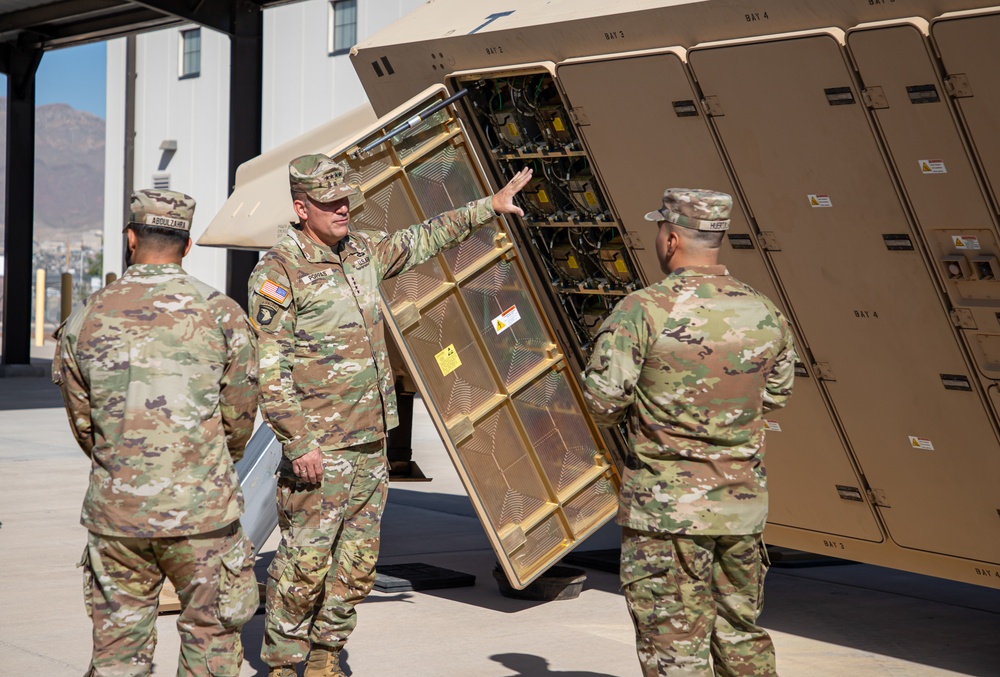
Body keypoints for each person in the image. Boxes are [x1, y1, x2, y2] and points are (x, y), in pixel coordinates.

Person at [250, 154, 532, 677]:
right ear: (299, 207)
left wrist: (487, 207)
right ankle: (285, 666)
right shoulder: (279, 269)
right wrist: (298, 442)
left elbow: (424, 237)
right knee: (304, 565)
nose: (343, 210)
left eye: (346, 201)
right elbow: (269, 369)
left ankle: (325, 657)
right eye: (330, 203)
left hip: (369, 444)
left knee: (356, 565)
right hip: (321, 448)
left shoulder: (360, 253)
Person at [582, 188, 796, 676]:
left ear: (672, 238)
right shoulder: (763, 310)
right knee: (740, 634)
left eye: (660, 229)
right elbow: (777, 394)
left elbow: (602, 400)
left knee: (675, 644)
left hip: (666, 514)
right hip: (741, 509)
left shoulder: (644, 309)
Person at [53, 189, 260, 676]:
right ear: (187, 246)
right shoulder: (221, 315)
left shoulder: (86, 317)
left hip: (118, 515)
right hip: (203, 514)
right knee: (211, 642)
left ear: (130, 239)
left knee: (118, 653)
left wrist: (124, 462)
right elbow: (240, 415)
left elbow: (85, 424)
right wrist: (208, 461)